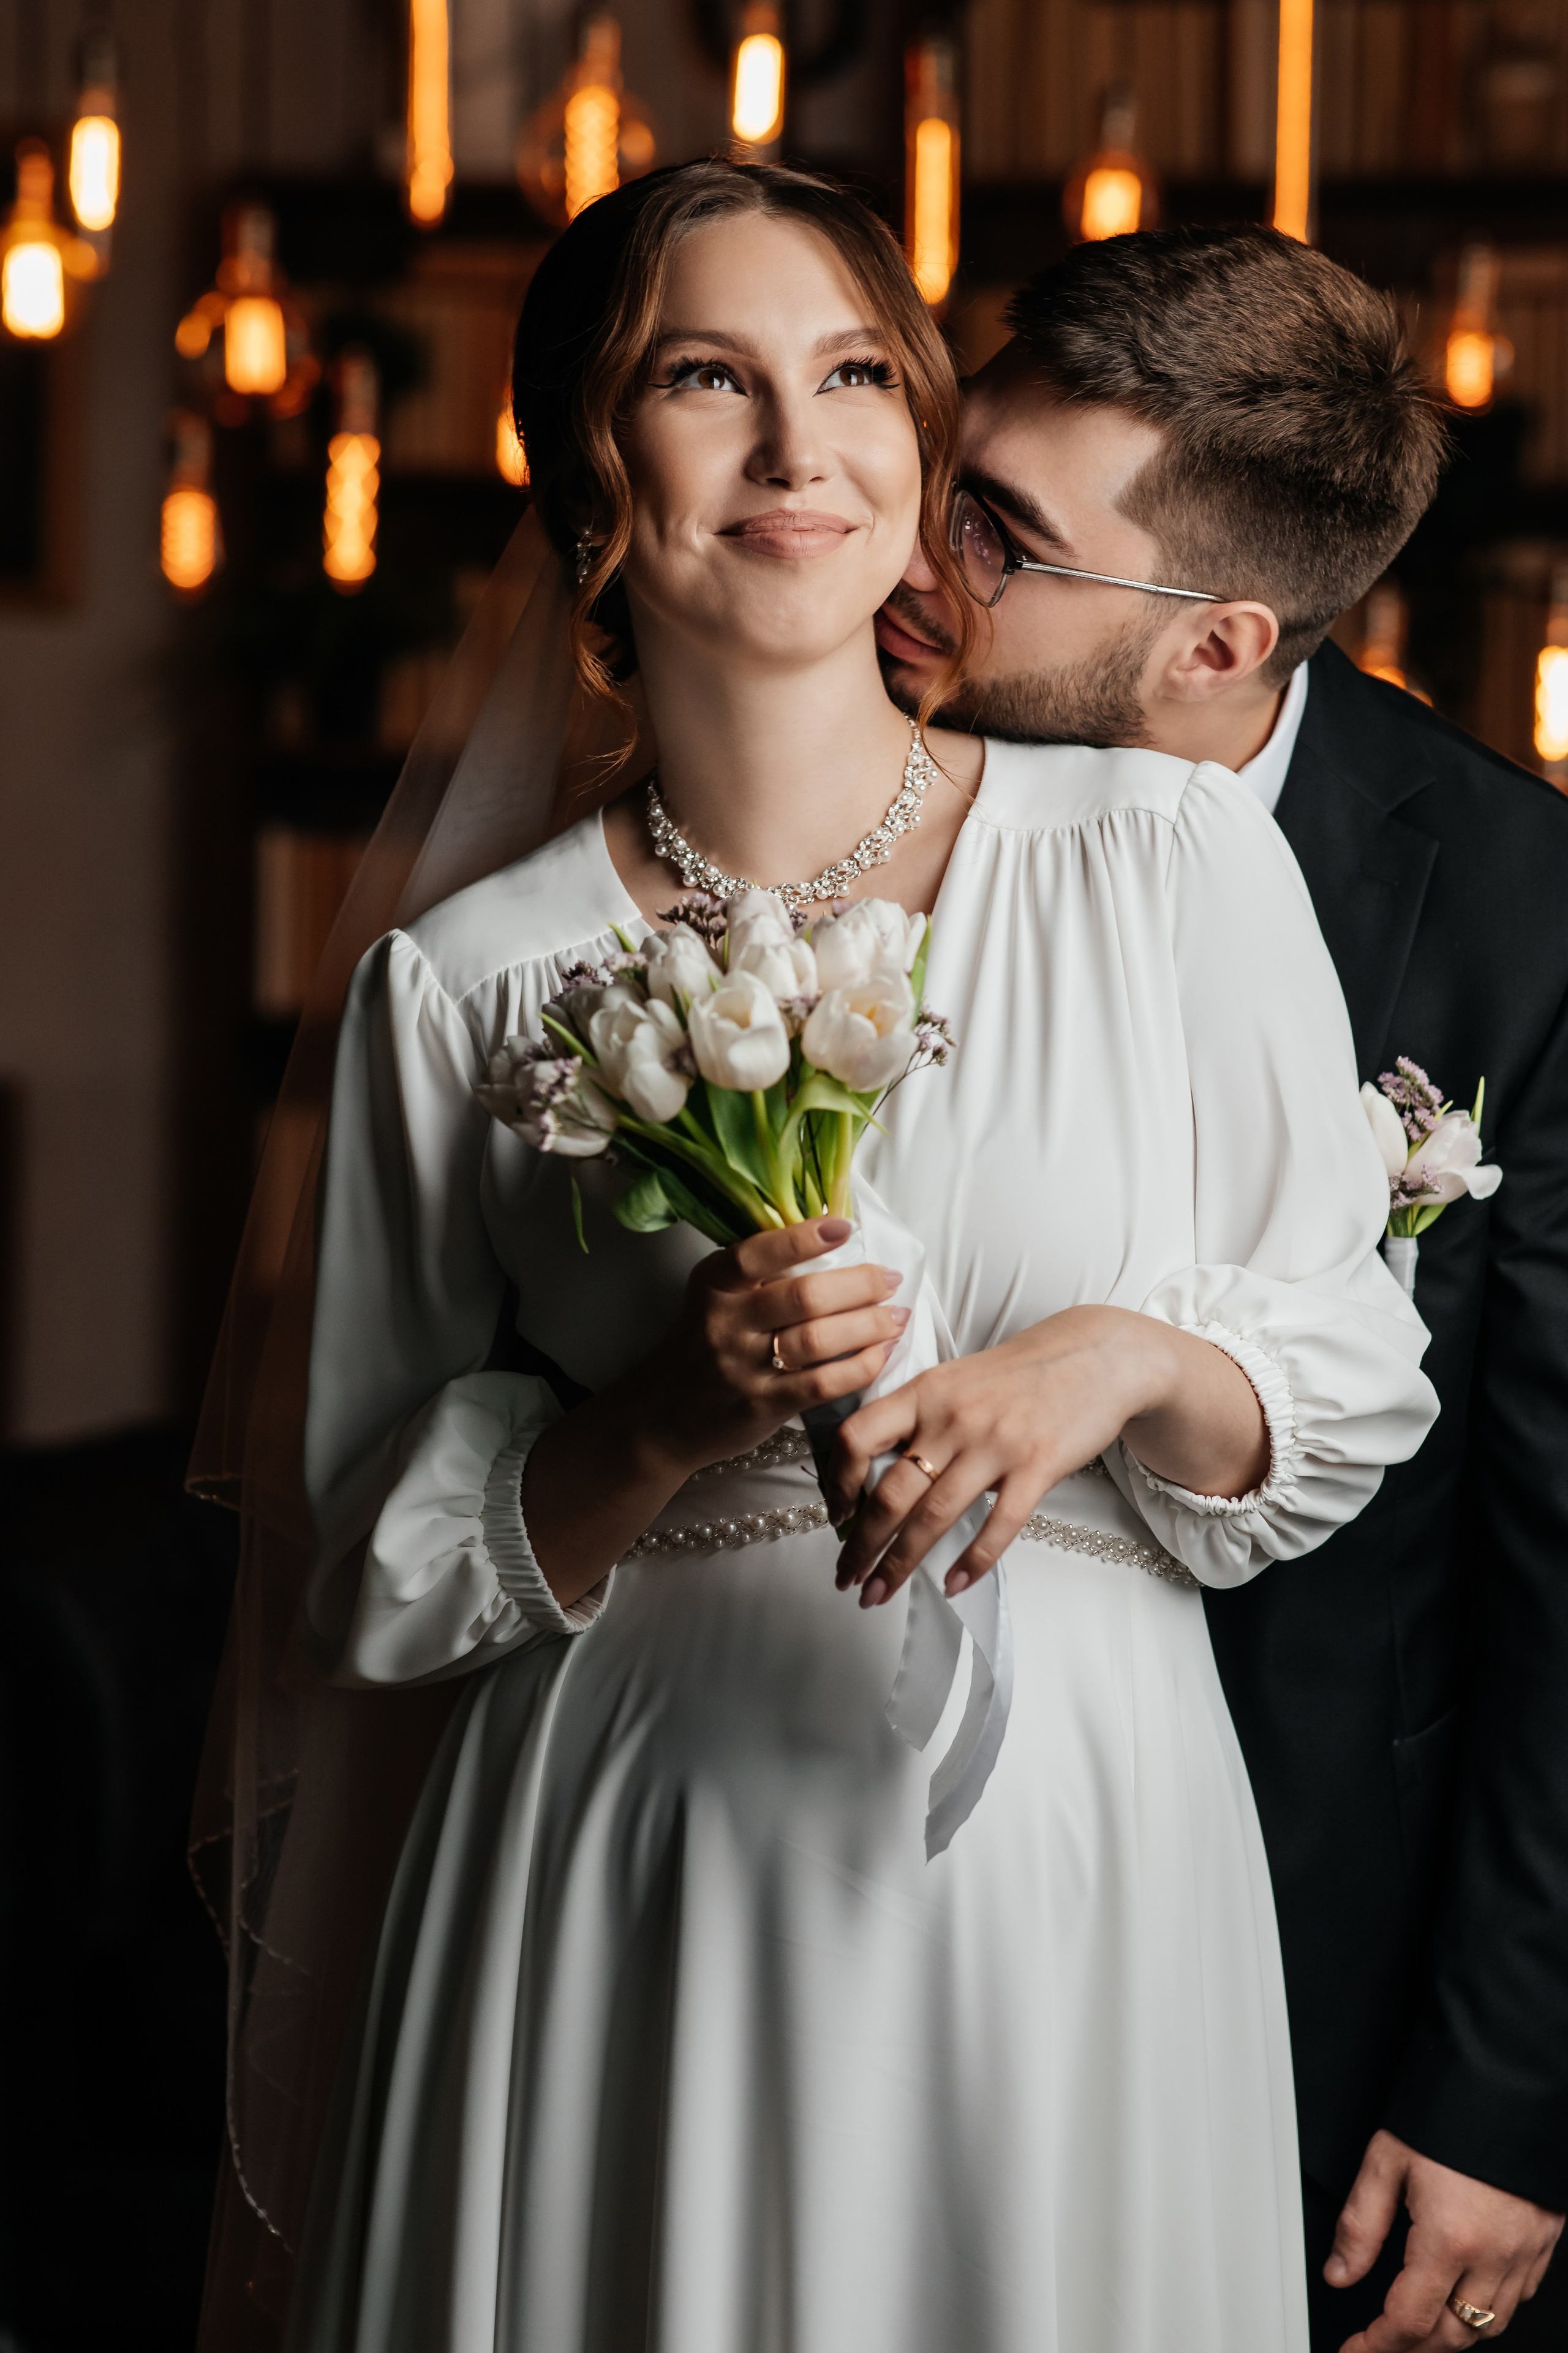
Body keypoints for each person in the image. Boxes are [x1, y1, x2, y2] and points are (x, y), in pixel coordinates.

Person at [220, 165, 1438, 2353]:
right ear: (593, 471)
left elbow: (1352, 1371)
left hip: (1080, 1846)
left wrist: (1111, 1359)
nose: (800, 447)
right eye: (709, 377)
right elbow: (367, 1577)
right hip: (631, 1853)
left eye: (859, 374)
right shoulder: (466, 981)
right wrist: (661, 1415)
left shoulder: (1161, 855)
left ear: (924, 443)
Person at [876, 223, 1568, 2353]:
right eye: (943, 475)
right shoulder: (832, 781)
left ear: (1219, 642)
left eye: (998, 536)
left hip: (1308, 1928)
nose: (913, 553)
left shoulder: (1525, 915)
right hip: (838, 1872)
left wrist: (1509, 2086)